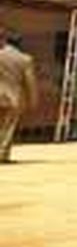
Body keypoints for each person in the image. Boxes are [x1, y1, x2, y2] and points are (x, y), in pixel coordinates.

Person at [0, 30, 37, 165]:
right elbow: (30, 82)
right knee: (8, 126)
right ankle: (2, 155)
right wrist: (33, 100)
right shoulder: (25, 59)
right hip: (13, 97)